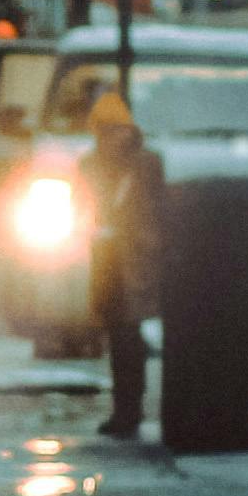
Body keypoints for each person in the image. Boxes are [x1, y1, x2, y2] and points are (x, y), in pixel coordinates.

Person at [81, 88, 163, 440]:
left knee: (128, 336)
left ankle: (129, 411)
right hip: (107, 260)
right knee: (119, 336)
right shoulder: (91, 165)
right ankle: (125, 409)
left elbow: (156, 210)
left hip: (134, 258)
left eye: (117, 128)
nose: (112, 137)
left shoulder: (145, 163)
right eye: (105, 130)